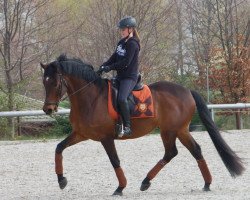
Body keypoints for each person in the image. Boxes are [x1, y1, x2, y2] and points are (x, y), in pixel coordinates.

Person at [98, 16, 141, 136]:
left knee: (122, 98)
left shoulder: (133, 44)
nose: (121, 31)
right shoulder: (121, 42)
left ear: (131, 29)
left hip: (129, 77)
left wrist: (109, 68)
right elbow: (114, 58)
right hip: (120, 76)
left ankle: (127, 126)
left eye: (123, 29)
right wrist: (103, 66)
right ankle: (116, 123)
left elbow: (125, 63)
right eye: (121, 29)